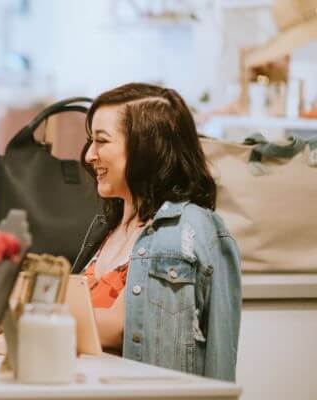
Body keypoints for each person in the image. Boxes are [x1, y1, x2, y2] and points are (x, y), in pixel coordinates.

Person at [72, 83, 241, 381]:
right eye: (90, 141)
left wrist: (35, 314)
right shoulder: (106, 227)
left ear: (146, 148)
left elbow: (121, 326)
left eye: (101, 141)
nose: (89, 155)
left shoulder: (190, 228)